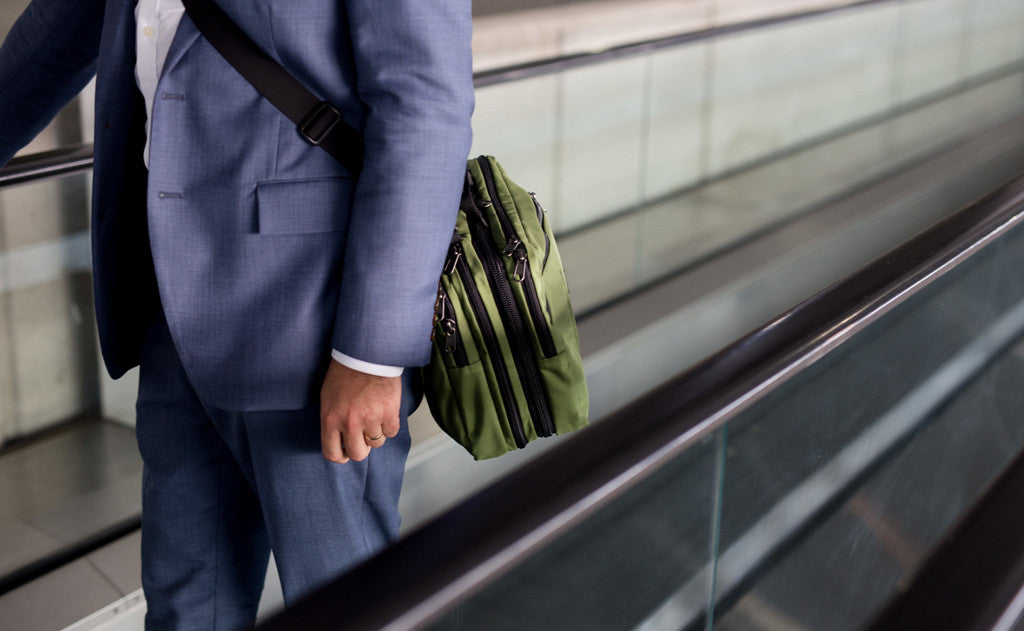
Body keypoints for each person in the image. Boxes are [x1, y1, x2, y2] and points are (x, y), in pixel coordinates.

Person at [0, 0, 474, 628]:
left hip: (313, 318)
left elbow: (425, 106)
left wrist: (372, 354)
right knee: (186, 605)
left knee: (343, 600)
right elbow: (57, 31)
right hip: (169, 301)